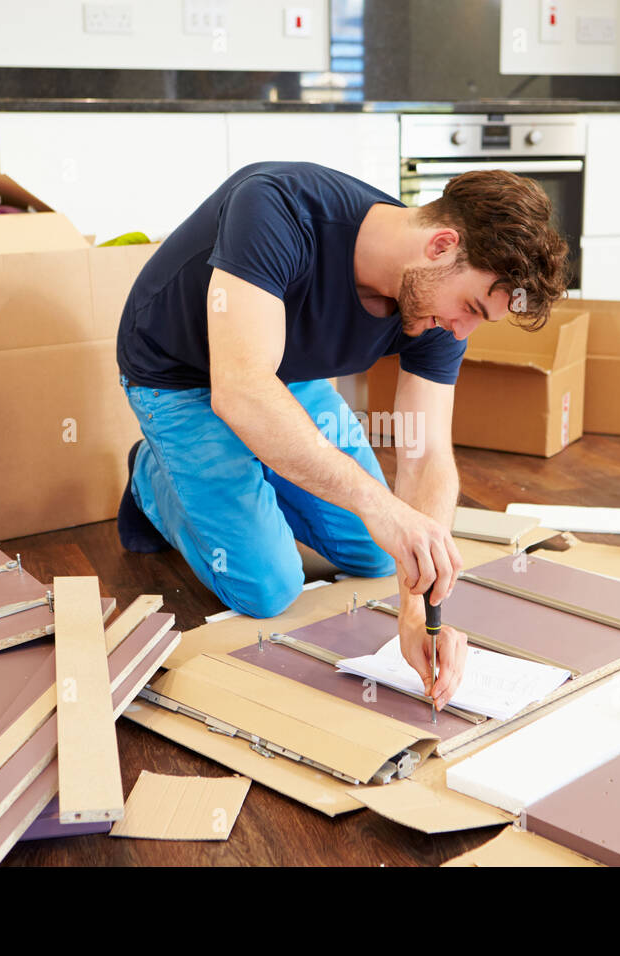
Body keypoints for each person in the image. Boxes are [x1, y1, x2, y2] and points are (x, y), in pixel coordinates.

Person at [115, 161, 570, 709]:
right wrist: (382, 506)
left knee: (377, 556)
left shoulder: (438, 310)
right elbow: (240, 390)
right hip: (183, 375)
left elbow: (425, 455)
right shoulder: (277, 209)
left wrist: (415, 604)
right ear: (441, 245)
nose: (462, 331)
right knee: (266, 588)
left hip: (284, 372)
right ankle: (150, 474)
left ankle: (265, 459)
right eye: (471, 308)